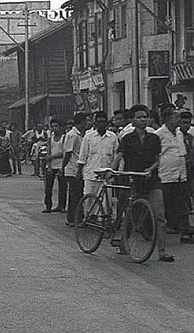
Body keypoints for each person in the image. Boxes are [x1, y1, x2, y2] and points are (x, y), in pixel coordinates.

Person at [115, 104, 172, 262]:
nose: (143, 120)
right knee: (131, 214)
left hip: (152, 180)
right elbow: (119, 156)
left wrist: (150, 169)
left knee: (160, 215)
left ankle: (162, 251)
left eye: (145, 117)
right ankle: (123, 242)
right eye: (139, 117)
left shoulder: (154, 138)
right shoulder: (127, 138)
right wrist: (112, 171)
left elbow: (158, 160)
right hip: (132, 179)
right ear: (133, 120)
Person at [154, 106, 193, 241]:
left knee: (182, 202)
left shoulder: (179, 133)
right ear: (167, 119)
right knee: (163, 203)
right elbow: (157, 154)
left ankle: (185, 230)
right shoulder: (159, 134)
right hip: (165, 174)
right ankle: (149, 228)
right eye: (176, 117)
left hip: (180, 174)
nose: (179, 119)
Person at [77, 110, 118, 198]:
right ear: (95, 123)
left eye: (103, 122)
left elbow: (117, 156)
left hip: (107, 176)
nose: (101, 124)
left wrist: (115, 172)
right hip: (91, 175)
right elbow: (82, 157)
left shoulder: (113, 137)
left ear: (107, 123)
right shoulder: (88, 137)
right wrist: (79, 173)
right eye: (99, 122)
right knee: (89, 200)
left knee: (106, 203)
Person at [63, 112, 90, 226]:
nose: (88, 123)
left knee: (77, 194)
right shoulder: (73, 135)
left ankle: (77, 217)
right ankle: (73, 218)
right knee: (75, 195)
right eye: (86, 121)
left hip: (79, 168)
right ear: (82, 122)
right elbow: (68, 152)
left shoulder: (82, 134)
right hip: (73, 169)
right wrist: (62, 167)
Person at [42, 119, 66, 211]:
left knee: (62, 187)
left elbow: (63, 153)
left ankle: (61, 206)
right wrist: (49, 166)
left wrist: (52, 157)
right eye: (52, 127)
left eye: (56, 126)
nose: (54, 128)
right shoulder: (50, 139)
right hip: (52, 165)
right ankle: (48, 205)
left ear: (60, 127)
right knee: (48, 187)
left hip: (61, 165)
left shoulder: (64, 138)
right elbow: (48, 152)